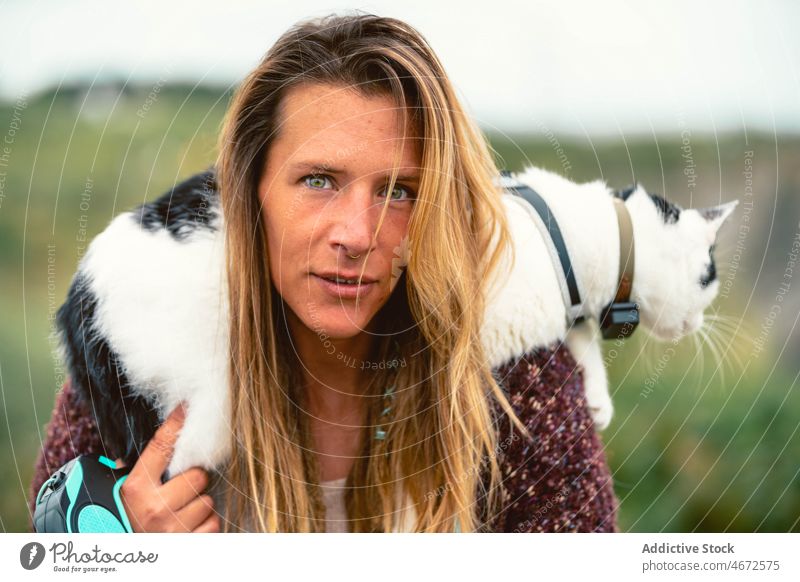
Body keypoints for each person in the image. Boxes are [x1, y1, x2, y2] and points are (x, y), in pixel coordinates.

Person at [29, 12, 619, 533]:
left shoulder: (511, 376)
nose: (358, 235)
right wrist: (121, 553)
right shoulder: (144, 355)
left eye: (399, 191)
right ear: (248, 191)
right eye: (318, 181)